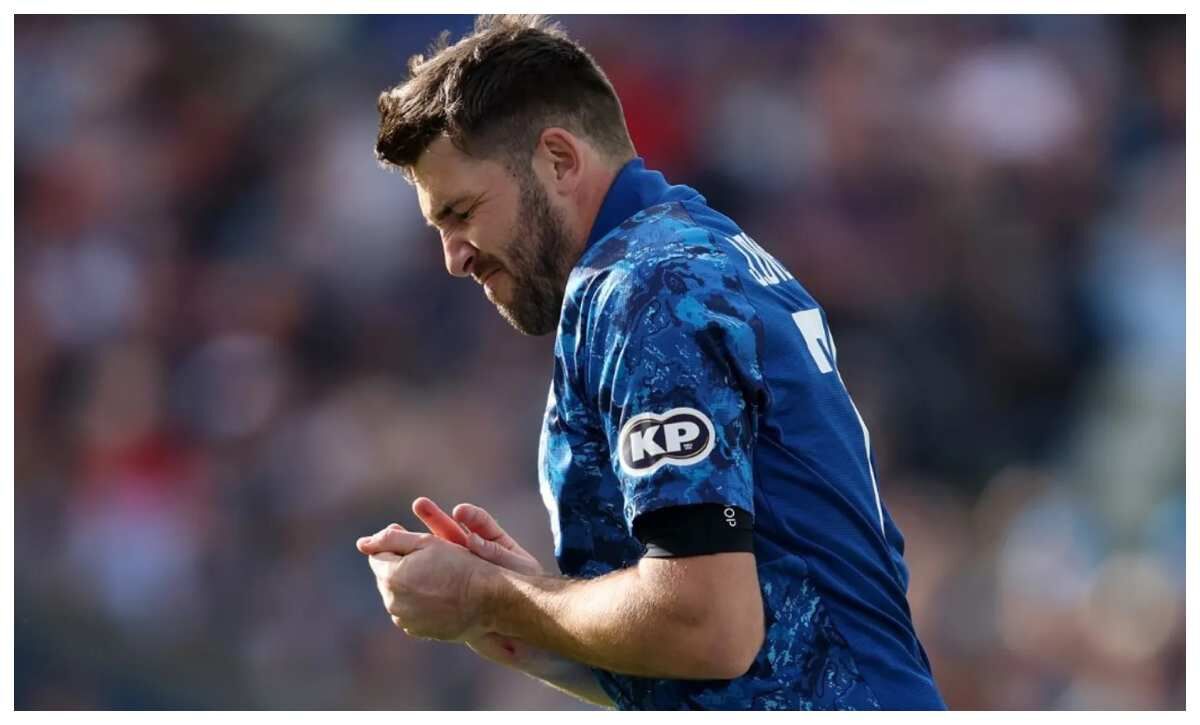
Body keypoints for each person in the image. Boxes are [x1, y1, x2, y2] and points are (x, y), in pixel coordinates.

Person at [356, 14, 945, 710]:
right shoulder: (691, 253)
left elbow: (709, 627)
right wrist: (509, 610)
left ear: (559, 160)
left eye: (462, 211)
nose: (453, 257)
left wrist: (495, 594)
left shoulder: (651, 289)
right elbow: (724, 661)